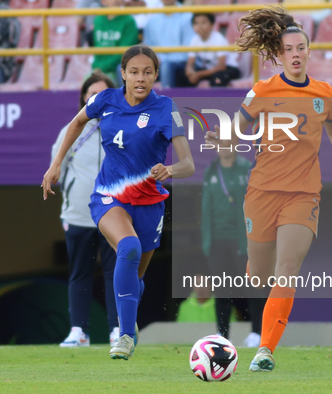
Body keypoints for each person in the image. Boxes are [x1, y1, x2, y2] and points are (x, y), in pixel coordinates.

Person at [204, 5, 332, 372]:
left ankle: (265, 350)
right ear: (278, 54)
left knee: (287, 270)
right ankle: (256, 278)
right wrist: (225, 139)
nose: (296, 54)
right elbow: (237, 128)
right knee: (260, 278)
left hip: (303, 194)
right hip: (262, 192)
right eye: (289, 49)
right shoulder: (263, 90)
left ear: (309, 52)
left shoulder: (325, 94)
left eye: (301, 48)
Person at [43, 44, 195, 360]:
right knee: (129, 248)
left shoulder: (166, 108)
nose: (141, 78)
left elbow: (188, 164)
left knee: (135, 280)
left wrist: (169, 169)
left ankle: (128, 316)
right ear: (122, 74)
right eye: (134, 72)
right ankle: (124, 335)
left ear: (155, 76)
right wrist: (57, 163)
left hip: (150, 204)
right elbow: (77, 122)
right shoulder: (105, 100)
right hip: (109, 197)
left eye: (148, 72)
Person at [52, 72, 121, 348]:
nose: (96, 99)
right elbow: (58, 167)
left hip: (114, 215)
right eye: (91, 94)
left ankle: (118, 330)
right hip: (79, 215)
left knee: (115, 273)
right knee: (79, 273)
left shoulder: (122, 128)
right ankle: (78, 331)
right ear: (84, 98)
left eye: (102, 94)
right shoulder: (71, 129)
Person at [201, 138, 265, 346]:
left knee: (252, 286)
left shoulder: (247, 169)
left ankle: (257, 332)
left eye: (229, 142)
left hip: (243, 239)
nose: (225, 147)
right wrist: (206, 242)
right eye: (221, 143)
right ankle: (222, 335)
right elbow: (205, 209)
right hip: (217, 241)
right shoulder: (210, 171)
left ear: (236, 145)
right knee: (221, 289)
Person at [143, 0, 195, 88]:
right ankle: (128, 101)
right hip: (157, 63)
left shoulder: (188, 16)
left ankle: (166, 101)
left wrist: (160, 59)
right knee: (125, 67)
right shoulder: (152, 19)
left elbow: (189, 51)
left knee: (166, 66)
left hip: (180, 64)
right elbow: (148, 46)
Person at [92, 0, 139, 86]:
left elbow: (125, 53)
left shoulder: (129, 21)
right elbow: (98, 50)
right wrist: (96, 67)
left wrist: (101, 68)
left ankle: (126, 98)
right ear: (103, 1)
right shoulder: (98, 20)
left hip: (116, 67)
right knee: (87, 83)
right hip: (100, 67)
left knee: (120, 70)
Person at [185, 13, 240, 87]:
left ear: (212, 25)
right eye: (196, 23)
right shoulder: (194, 39)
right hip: (210, 70)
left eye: (203, 22)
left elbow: (221, 66)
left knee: (217, 78)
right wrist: (190, 72)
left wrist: (198, 74)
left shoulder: (218, 39)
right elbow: (190, 64)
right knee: (182, 76)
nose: (199, 26)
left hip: (228, 69)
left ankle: (218, 98)